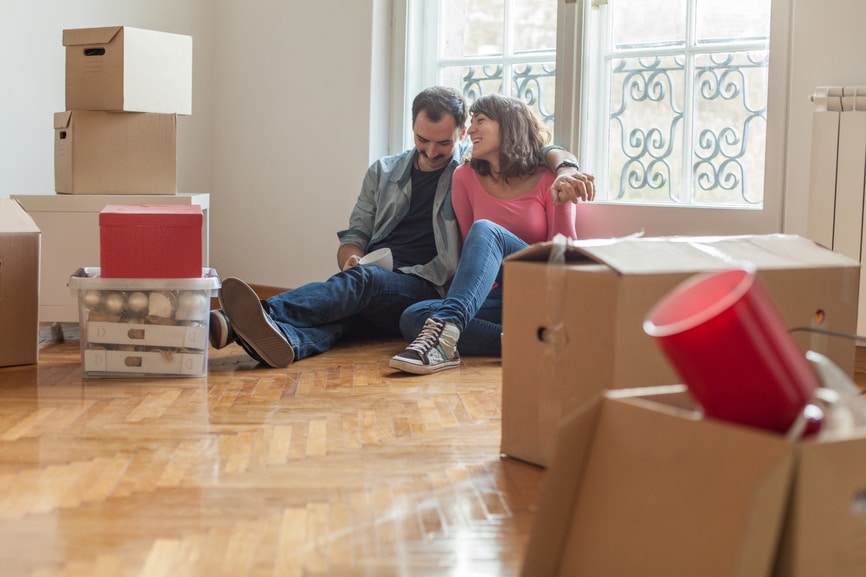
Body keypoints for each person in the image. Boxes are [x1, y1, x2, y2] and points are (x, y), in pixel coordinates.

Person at [209, 86, 588, 368]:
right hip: (425, 285)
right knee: (373, 307)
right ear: (411, 128)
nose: (431, 151)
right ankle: (288, 339)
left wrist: (565, 166)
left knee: (368, 283)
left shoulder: (482, 170)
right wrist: (353, 257)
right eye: (422, 140)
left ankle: (245, 317)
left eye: (445, 141)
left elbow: (538, 156)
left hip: (450, 279)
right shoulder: (407, 172)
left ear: (458, 135)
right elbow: (355, 234)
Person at [389, 93, 594, 375]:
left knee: (486, 230)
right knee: (414, 316)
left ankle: (445, 338)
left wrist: (561, 201)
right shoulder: (464, 177)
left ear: (508, 125)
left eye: (479, 121)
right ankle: (535, 342)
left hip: (540, 286)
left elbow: (563, 257)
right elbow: (470, 258)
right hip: (498, 298)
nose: (470, 130)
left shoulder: (550, 177)